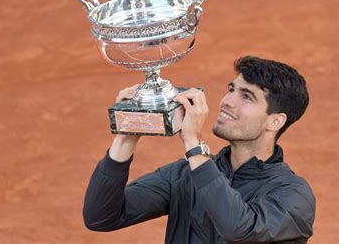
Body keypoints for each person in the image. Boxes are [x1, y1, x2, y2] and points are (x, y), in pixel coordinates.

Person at [83, 56, 316, 243]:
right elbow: (101, 217)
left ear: (275, 121)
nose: (227, 100)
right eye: (232, 89)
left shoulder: (293, 195)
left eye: (246, 97)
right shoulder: (184, 174)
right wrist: (126, 136)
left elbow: (237, 227)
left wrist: (193, 143)